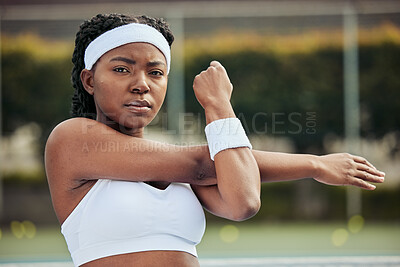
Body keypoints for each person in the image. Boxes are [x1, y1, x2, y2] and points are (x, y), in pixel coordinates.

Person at [44, 13, 385, 267]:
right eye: (122, 69)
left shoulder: (181, 170)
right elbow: (202, 162)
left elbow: (243, 202)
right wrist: (219, 105)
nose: (141, 84)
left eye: (156, 72)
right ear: (89, 80)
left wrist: (221, 111)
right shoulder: (73, 138)